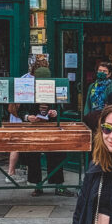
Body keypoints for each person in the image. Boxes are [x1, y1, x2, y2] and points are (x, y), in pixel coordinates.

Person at [20, 63, 66, 194]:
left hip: (51, 127)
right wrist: (28, 117)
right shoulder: (27, 90)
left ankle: (58, 184)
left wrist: (56, 113)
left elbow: (61, 107)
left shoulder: (55, 89)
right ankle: (37, 185)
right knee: (33, 156)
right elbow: (21, 110)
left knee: (56, 153)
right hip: (34, 128)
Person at [84, 61, 112, 131]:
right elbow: (88, 103)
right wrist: (86, 116)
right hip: (92, 118)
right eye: (100, 70)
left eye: (104, 71)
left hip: (105, 119)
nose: (101, 73)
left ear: (109, 74)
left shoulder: (111, 86)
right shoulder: (92, 86)